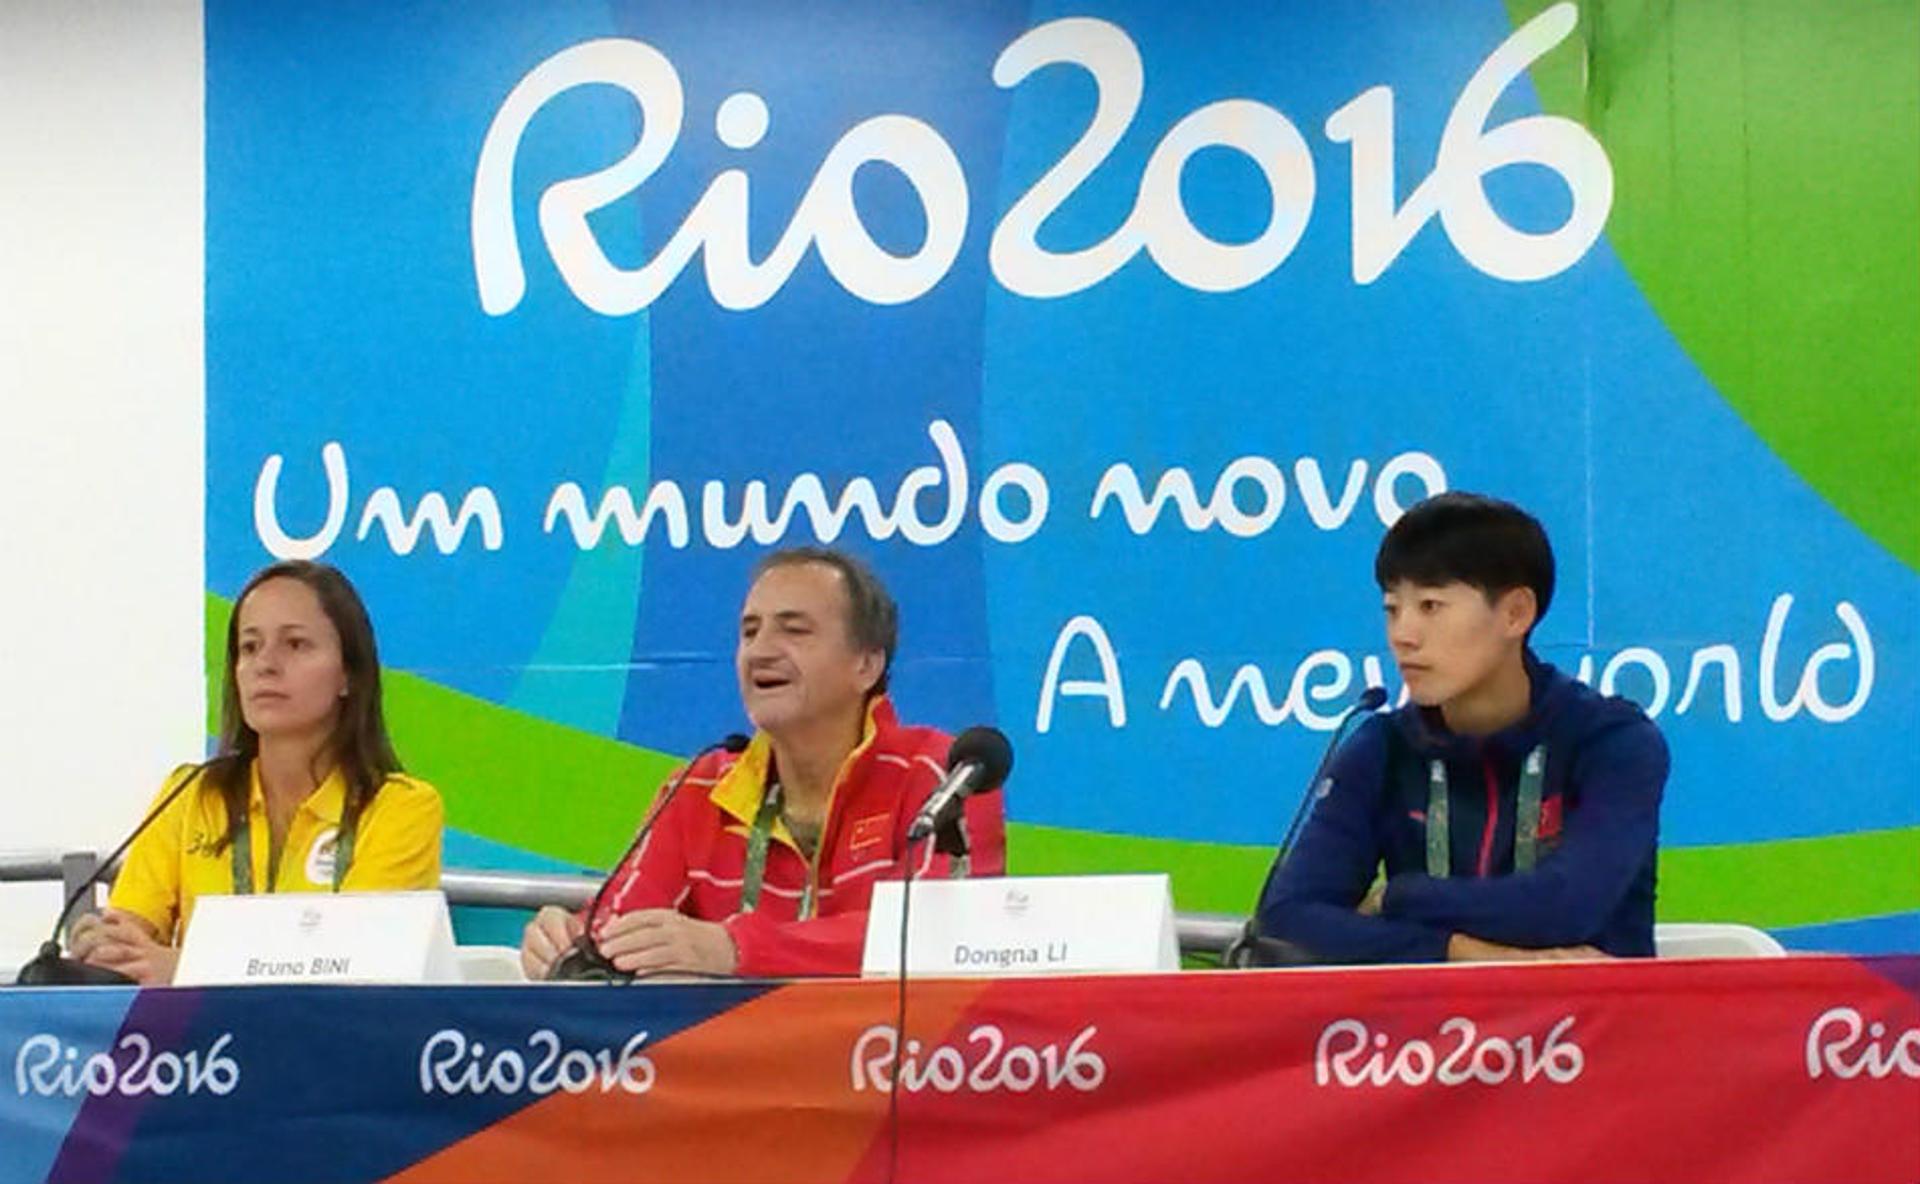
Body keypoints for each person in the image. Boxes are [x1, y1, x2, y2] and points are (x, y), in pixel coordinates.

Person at [520, 546, 1006, 980]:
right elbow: (618, 928)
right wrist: (573, 943)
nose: (761, 651)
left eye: (794, 631)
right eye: (750, 632)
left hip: (890, 1066)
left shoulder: (942, 774)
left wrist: (734, 948)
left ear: (867, 665)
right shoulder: (700, 784)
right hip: (728, 1072)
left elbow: (937, 939)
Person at [1257, 492, 1666, 963]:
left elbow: (1566, 907)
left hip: (1594, 1029)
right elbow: (1288, 915)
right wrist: (1454, 951)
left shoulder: (1613, 742)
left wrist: (1401, 898)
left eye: (1430, 606)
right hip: (1424, 1034)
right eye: (1392, 608)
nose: (1403, 635)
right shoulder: (1383, 748)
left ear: (1516, 613)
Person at [70, 560, 443, 985]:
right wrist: (106, 945)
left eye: (296, 645)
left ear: (350, 676)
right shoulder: (191, 793)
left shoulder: (400, 807)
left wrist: (185, 970)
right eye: (249, 647)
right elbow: (131, 939)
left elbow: (352, 970)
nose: (265, 664)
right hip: (197, 1047)